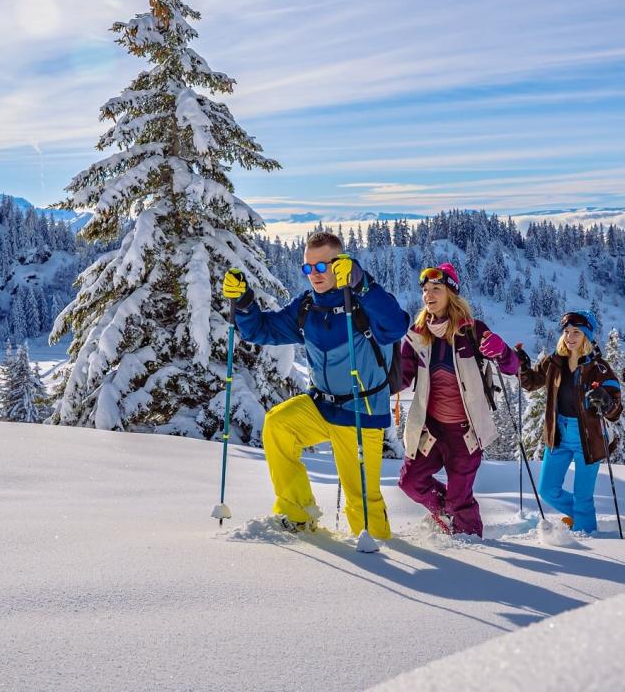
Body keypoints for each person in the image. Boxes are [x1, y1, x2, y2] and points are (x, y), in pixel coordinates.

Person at [222, 230, 409, 538]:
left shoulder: (364, 302)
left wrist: (362, 282)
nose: (314, 275)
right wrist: (243, 303)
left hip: (360, 412)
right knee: (278, 425)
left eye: (322, 266)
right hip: (320, 406)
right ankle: (297, 514)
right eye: (308, 268)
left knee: (362, 500)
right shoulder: (308, 307)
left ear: (340, 264)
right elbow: (262, 330)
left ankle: (378, 547)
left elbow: (395, 326)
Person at [398, 263, 518, 537]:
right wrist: (374, 382)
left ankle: (470, 546)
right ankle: (446, 515)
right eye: (425, 290)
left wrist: (502, 352)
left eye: (436, 289)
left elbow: (512, 368)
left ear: (451, 293)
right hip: (431, 430)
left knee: (459, 499)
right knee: (411, 482)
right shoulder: (417, 335)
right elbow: (402, 378)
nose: (428, 295)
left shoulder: (472, 331)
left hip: (465, 433)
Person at [517, 310, 622, 533]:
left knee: (584, 499)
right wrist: (522, 368)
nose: (570, 337)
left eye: (576, 332)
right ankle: (580, 517)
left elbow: (615, 411)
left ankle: (587, 540)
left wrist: (606, 402)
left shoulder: (599, 369)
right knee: (547, 490)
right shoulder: (554, 362)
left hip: (588, 438)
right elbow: (532, 383)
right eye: (566, 332)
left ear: (587, 335)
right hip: (558, 434)